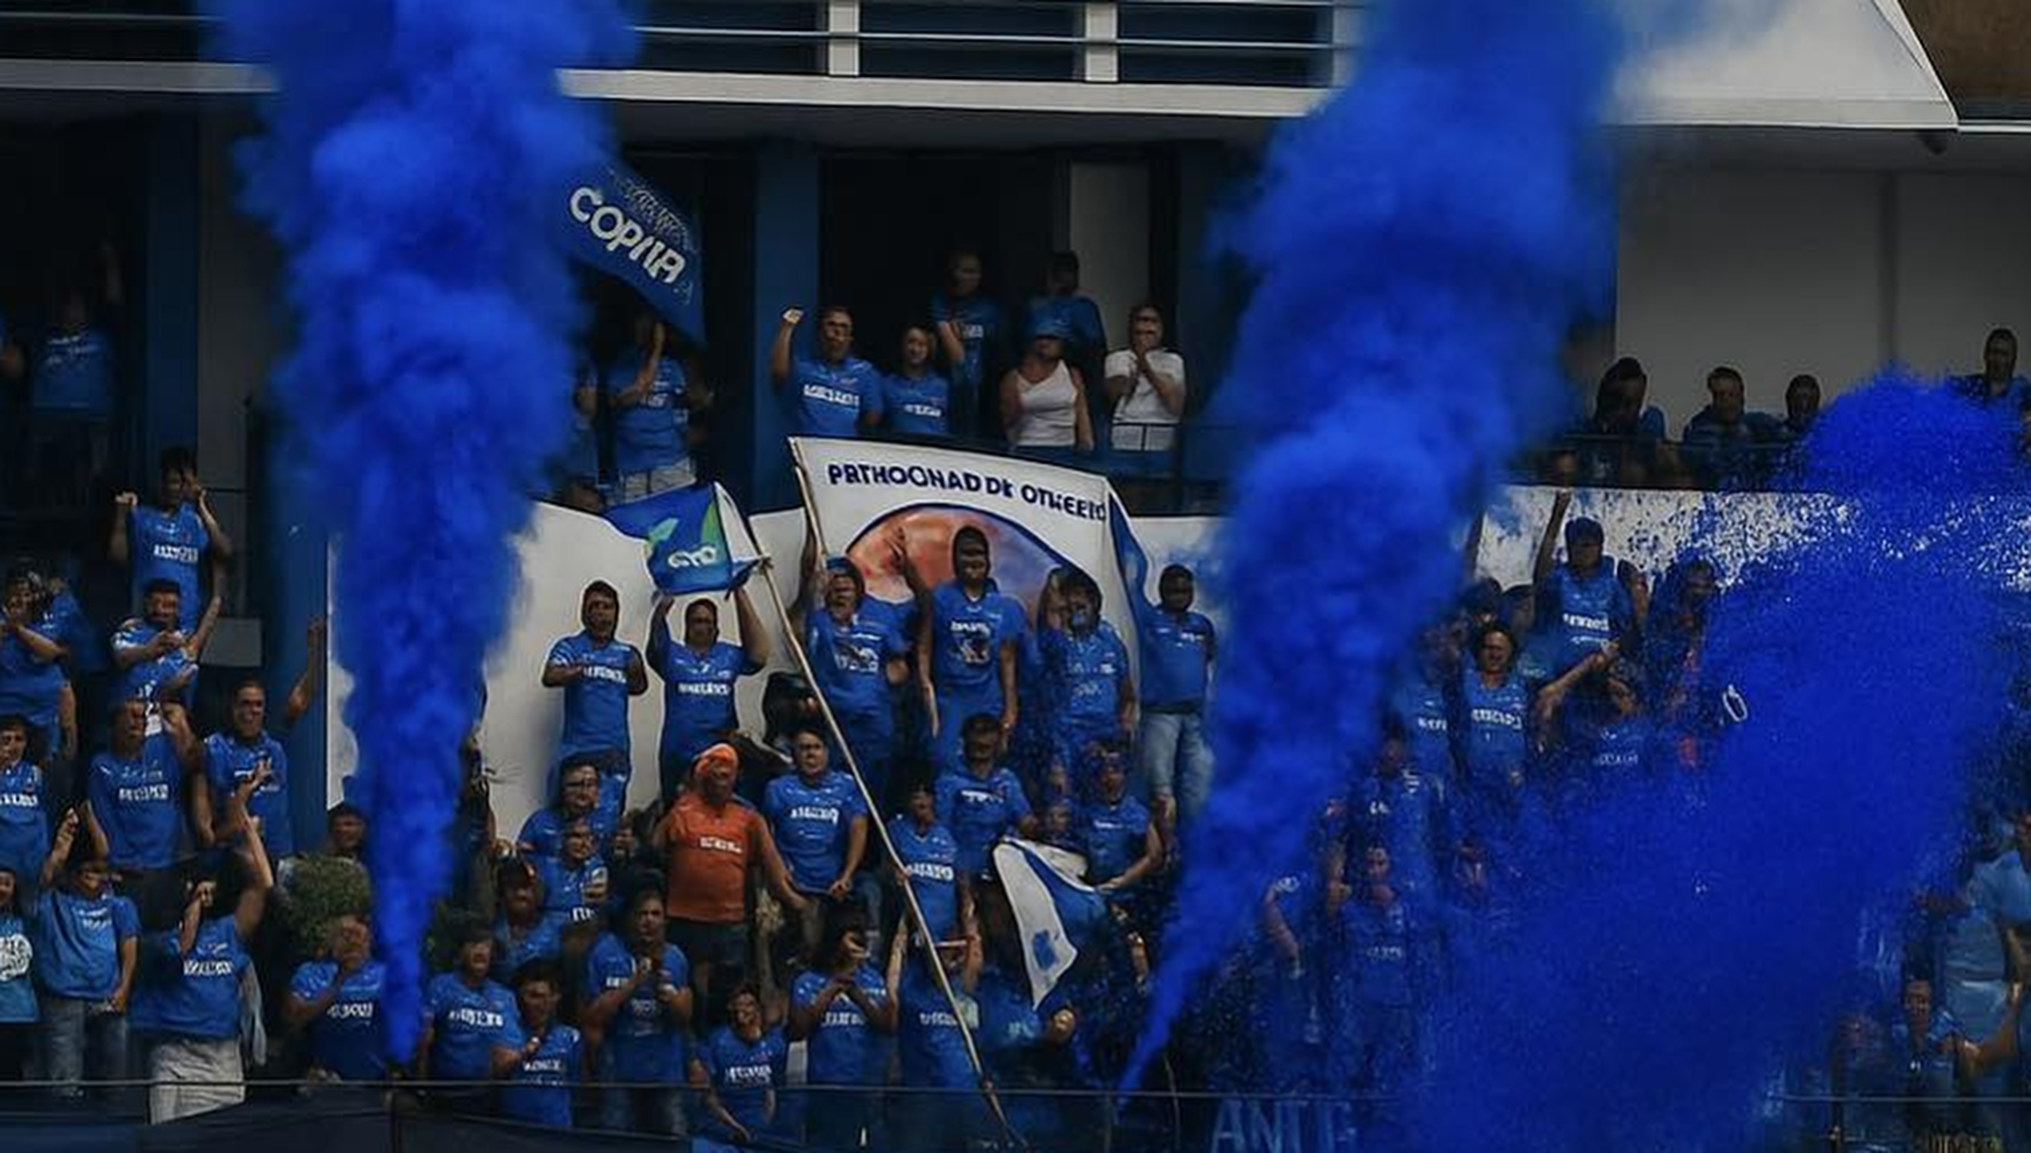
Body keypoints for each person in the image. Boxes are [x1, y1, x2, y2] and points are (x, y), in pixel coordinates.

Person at [129, 806, 272, 1123]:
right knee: (168, 1140)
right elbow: (181, 949)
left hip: (222, 1057)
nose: (204, 893)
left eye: (209, 888)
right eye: (196, 887)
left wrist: (249, 837)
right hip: (175, 1055)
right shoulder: (156, 938)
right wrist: (192, 907)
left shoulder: (229, 931)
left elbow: (262, 886)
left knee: (222, 1138)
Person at [653, 744, 809, 1007]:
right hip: (685, 918)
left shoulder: (750, 819)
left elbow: (774, 869)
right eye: (715, 770)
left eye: (728, 772)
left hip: (729, 922)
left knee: (730, 995)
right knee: (687, 989)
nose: (721, 776)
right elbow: (654, 847)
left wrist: (798, 904)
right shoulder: (681, 811)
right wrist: (676, 810)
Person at [792, 533, 909, 804]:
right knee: (837, 790)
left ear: (858, 590)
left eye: (846, 587)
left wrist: (888, 680)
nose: (840, 592)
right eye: (834, 588)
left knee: (875, 794)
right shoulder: (818, 621)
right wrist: (810, 530)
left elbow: (899, 664)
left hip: (875, 723)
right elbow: (808, 576)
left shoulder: (880, 620)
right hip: (835, 722)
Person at [34, 809, 137, 1095]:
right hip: (63, 998)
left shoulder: (119, 904)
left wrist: (124, 987)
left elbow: (129, 945)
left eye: (101, 871)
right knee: (64, 1082)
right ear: (74, 873)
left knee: (114, 1082)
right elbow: (45, 879)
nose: (96, 876)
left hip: (107, 997)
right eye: (89, 870)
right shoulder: (52, 902)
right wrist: (60, 849)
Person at [582, 883, 693, 1136]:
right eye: (642, 914)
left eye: (655, 914)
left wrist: (666, 995)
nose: (649, 921)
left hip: (665, 1073)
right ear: (629, 919)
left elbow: (685, 1017)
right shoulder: (605, 952)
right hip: (619, 1072)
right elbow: (593, 1017)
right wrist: (632, 985)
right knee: (618, 1141)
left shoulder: (676, 957)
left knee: (673, 1140)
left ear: (665, 921)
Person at [917, 525, 1025, 772]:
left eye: (978, 553)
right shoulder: (940, 599)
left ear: (988, 559)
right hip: (951, 699)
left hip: (988, 699)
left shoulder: (1004, 606)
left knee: (987, 765)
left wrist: (1010, 709)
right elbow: (924, 646)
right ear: (954, 559)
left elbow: (1007, 659)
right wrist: (926, 687)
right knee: (945, 760)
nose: (972, 560)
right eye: (965, 553)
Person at [648, 588, 769, 803]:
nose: (703, 626)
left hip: (719, 752)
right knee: (679, 813)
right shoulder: (671, 655)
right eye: (697, 621)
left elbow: (759, 655)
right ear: (686, 626)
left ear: (717, 627)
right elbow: (655, 647)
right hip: (678, 755)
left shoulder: (729, 656)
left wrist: (740, 593)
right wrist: (661, 611)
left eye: (708, 621)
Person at [763, 727, 872, 961]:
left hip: (833, 890)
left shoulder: (847, 786)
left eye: (816, 748)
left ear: (827, 752)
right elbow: (766, 837)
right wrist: (780, 878)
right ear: (794, 753)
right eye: (804, 748)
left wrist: (847, 874)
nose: (810, 754)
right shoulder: (777, 788)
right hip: (793, 888)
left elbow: (858, 827)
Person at [789, 913, 895, 1148]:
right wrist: (831, 990)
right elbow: (798, 1029)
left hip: (866, 1085)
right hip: (826, 1086)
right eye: (850, 940)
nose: (855, 947)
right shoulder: (808, 981)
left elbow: (887, 1026)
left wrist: (857, 994)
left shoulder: (873, 979)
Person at [543, 582, 647, 819]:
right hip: (577, 750)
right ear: (584, 612)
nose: (601, 612)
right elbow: (549, 676)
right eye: (595, 606)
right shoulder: (570, 647)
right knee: (567, 820)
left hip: (614, 752)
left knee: (607, 820)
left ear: (616, 613)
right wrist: (576, 671)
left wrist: (636, 669)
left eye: (607, 607)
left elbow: (639, 687)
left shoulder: (626, 653)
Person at [197, 660, 322, 855]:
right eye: (244, 704)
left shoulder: (275, 746)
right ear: (232, 707)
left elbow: (300, 700)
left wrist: (317, 653)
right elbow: (216, 817)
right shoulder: (215, 749)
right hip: (237, 857)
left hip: (279, 853)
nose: (251, 711)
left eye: (258, 705)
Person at [109, 447, 231, 630]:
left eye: (185, 483)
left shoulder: (196, 521)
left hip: (187, 624)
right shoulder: (142, 516)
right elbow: (117, 557)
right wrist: (120, 516)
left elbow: (225, 551)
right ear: (162, 481)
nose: (178, 488)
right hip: (146, 622)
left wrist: (202, 506)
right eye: (173, 481)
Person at [1135, 564, 1216, 839]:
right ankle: (1163, 846)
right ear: (1161, 590)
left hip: (1195, 716)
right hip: (1160, 715)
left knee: (1199, 785)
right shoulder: (1148, 620)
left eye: (1184, 589)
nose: (1179, 595)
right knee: (1160, 787)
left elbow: (1208, 658)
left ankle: (1194, 843)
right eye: (1173, 589)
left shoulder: (1202, 625)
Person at [1035, 567, 1135, 784]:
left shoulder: (1110, 640)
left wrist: (1125, 726)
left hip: (1105, 737)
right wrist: (1054, 583)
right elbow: (1052, 610)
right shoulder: (1055, 642)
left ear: (1095, 605)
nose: (1075, 613)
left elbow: (1128, 696)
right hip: (1065, 738)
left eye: (1081, 607)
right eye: (1069, 609)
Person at [1530, 491, 1640, 678]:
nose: (1583, 550)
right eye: (1577, 544)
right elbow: (1540, 575)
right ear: (1569, 547)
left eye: (1589, 545)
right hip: (1561, 667)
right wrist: (1557, 515)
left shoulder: (1612, 584)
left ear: (1600, 547)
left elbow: (1625, 627)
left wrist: (1613, 649)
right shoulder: (1560, 577)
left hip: (1601, 668)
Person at [85, 698, 201, 874]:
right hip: (130, 869)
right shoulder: (101, 766)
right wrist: (123, 862)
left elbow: (197, 760)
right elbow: (105, 820)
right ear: (114, 723)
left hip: (173, 863)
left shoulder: (164, 749)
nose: (138, 720)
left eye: (141, 717)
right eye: (131, 715)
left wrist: (181, 729)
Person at [891, 936, 985, 1151]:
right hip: (925, 1105)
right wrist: (899, 943)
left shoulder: (965, 990)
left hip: (966, 1102)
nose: (957, 954)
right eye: (948, 948)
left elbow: (975, 951)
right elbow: (892, 997)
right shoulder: (913, 991)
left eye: (960, 947)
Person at [606, 313, 710, 500]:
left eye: (650, 326)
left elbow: (692, 401)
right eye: (642, 325)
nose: (645, 331)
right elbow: (636, 392)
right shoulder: (620, 367)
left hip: (671, 464)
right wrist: (656, 350)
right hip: (632, 468)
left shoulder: (672, 367)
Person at [419, 927, 522, 1112]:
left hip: (489, 1098)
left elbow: (511, 1048)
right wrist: (421, 1088)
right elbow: (423, 1041)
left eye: (486, 946)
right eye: (474, 944)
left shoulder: (505, 997)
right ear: (460, 952)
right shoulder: (441, 986)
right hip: (444, 1096)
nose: (481, 951)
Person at [284, 913, 387, 1084]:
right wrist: (340, 980)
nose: (352, 942)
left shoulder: (385, 977)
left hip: (373, 1082)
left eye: (358, 936)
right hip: (324, 1080)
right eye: (346, 935)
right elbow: (294, 1018)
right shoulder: (311, 974)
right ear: (333, 940)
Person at [935, 714, 1038, 879]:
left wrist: (1044, 826)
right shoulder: (949, 780)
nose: (981, 745)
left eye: (987, 742)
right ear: (964, 741)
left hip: (1001, 863)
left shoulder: (1007, 779)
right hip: (960, 861)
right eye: (977, 739)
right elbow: (941, 827)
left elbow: (1024, 820)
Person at [692, 982, 789, 1145]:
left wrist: (766, 1122)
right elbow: (708, 1096)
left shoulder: (772, 1043)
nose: (744, 1010)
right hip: (722, 1131)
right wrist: (734, 1127)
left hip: (761, 1130)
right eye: (739, 1005)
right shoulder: (715, 1042)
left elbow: (772, 1089)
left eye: (749, 1004)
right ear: (731, 1008)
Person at [0, 570, 74, 775]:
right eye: (16, 594)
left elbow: (51, 654)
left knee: (46, 775)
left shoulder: (49, 619)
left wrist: (18, 629)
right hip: (6, 715)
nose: (21, 600)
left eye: (27, 594)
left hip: (46, 716)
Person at [111, 578, 222, 710]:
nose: (160, 610)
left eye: (169, 605)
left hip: (169, 718)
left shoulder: (187, 643)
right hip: (129, 717)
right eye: (154, 603)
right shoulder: (130, 631)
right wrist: (147, 651)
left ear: (178, 608)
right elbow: (120, 658)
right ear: (146, 604)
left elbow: (211, 616)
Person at [772, 305, 880, 437]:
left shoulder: (863, 371)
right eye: (831, 324)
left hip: (846, 446)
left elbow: (872, 417)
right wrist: (787, 327)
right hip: (809, 445)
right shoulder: (804, 368)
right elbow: (779, 374)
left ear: (850, 337)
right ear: (820, 332)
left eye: (844, 326)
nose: (837, 331)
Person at [498, 959, 582, 1129]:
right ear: (518, 997)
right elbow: (495, 1073)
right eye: (534, 996)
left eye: (548, 996)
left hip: (557, 1131)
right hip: (513, 1132)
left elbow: (577, 1084)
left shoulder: (570, 1038)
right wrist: (521, 1055)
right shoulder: (505, 1033)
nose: (542, 1004)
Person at [931, 249, 1004, 438]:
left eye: (976, 272)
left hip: (983, 391)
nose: (972, 277)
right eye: (966, 271)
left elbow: (1000, 353)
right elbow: (956, 356)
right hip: (946, 388)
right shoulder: (941, 303)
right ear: (953, 273)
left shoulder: (990, 310)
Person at [887, 781, 969, 945]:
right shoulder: (896, 828)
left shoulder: (949, 833)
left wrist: (966, 922)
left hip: (947, 926)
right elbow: (887, 867)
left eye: (926, 796)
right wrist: (893, 874)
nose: (922, 802)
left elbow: (963, 881)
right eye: (916, 797)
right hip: (910, 921)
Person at [1000, 319, 1093, 454]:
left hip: (1066, 447)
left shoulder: (1071, 373)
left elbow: (1081, 411)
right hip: (1029, 447)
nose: (1045, 343)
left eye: (1052, 338)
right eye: (1041, 338)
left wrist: (1086, 443)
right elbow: (1008, 419)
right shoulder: (1013, 377)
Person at [1104, 302, 1187, 454]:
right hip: (1126, 433)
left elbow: (1175, 405)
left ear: (1161, 329)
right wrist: (1137, 363)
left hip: (1162, 435)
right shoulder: (1117, 358)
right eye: (1141, 320)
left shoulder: (1173, 360)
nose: (1146, 326)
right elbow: (1114, 395)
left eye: (1152, 321)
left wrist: (1147, 367)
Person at [1076, 748, 1159, 898]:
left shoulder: (1137, 812)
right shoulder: (1087, 812)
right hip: (1091, 890)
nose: (1109, 777)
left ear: (1124, 775)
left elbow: (1153, 854)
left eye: (1114, 771)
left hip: (1127, 893)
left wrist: (1125, 879)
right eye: (1104, 772)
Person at [1681, 366, 1781, 489]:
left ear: (1742, 397)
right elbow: (1709, 466)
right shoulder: (1700, 431)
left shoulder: (1760, 424)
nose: (1726, 401)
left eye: (1732, 395)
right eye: (1720, 395)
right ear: (1713, 398)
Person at [1024, 250, 1107, 389]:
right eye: (1061, 271)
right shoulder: (1035, 307)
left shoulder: (1084, 307)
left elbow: (1096, 352)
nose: (1066, 277)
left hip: (1077, 377)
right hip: (1038, 378)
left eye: (1070, 271)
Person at [517, 757, 617, 862]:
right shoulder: (539, 822)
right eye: (575, 785)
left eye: (590, 785)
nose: (583, 791)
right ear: (561, 787)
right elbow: (522, 860)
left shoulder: (609, 823)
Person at [869, 324, 953, 440]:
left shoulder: (943, 386)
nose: (915, 349)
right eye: (911, 342)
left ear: (929, 349)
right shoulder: (886, 384)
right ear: (902, 346)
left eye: (922, 344)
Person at [493, 860, 570, 981]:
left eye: (526, 887)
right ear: (501, 893)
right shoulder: (492, 933)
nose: (521, 894)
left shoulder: (560, 928)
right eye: (513, 887)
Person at [0, 716, 51, 897]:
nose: (13, 745)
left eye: (19, 739)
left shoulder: (35, 774)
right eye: (6, 739)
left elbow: (43, 813)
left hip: (32, 860)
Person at [1956, 328, 2029, 406]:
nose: (1998, 359)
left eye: (2004, 354)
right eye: (1994, 352)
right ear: (1985, 355)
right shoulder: (1968, 387)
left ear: (2013, 358)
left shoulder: (2024, 394)